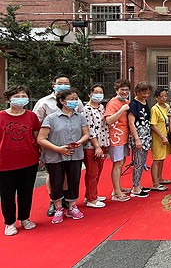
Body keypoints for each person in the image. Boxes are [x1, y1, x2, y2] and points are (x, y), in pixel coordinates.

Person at [33, 75, 84, 216]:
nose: (64, 85)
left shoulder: (77, 102)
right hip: (52, 146)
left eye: (66, 83)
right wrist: (42, 147)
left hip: (72, 146)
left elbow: (80, 119)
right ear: (54, 85)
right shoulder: (44, 102)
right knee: (54, 175)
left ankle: (68, 201)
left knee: (70, 175)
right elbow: (36, 125)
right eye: (60, 83)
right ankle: (54, 201)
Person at [0, 85, 40, 236]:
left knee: (26, 192)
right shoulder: (1, 116)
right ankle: (9, 222)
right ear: (8, 99)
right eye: (17, 96)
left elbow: (36, 135)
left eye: (24, 96)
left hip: (29, 160)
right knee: (7, 195)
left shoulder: (31, 116)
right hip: (5, 163)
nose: (21, 99)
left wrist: (41, 154)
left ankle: (24, 218)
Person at [82, 84, 109, 208]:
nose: (98, 95)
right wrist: (97, 146)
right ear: (90, 94)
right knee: (92, 173)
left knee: (98, 171)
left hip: (102, 143)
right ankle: (91, 199)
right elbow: (90, 129)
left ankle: (91, 194)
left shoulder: (101, 107)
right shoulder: (86, 109)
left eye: (101, 92)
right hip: (91, 146)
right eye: (96, 92)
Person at [104, 79, 131, 202]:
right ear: (116, 90)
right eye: (122, 89)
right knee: (117, 164)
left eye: (126, 90)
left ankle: (118, 187)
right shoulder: (112, 103)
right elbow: (109, 120)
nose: (124, 92)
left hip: (125, 136)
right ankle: (116, 192)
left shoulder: (126, 102)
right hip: (116, 137)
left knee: (122, 162)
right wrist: (121, 110)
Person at [128, 82, 153, 198]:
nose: (146, 95)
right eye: (144, 93)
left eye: (147, 93)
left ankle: (138, 183)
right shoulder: (133, 104)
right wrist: (137, 139)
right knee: (138, 162)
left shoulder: (145, 102)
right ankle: (135, 187)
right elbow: (131, 123)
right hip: (138, 135)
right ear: (137, 92)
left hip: (146, 135)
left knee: (142, 161)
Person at [150, 88, 171, 190]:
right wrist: (162, 137)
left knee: (162, 158)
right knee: (157, 160)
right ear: (157, 97)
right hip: (158, 137)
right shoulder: (154, 109)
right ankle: (155, 183)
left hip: (166, 136)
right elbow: (153, 125)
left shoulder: (167, 106)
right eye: (161, 96)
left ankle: (160, 178)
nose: (164, 98)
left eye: (165, 96)